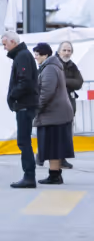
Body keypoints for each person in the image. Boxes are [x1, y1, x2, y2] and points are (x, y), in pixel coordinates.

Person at [31, 43, 75, 185]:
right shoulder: (51, 66)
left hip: (54, 114)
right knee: (53, 146)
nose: (36, 57)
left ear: (45, 55)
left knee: (53, 146)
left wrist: (37, 108)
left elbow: (46, 92)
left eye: (37, 54)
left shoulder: (49, 68)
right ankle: (55, 175)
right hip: (55, 114)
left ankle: (55, 176)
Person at [2, 31, 39, 189]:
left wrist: (12, 96)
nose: (4, 48)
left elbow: (25, 82)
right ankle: (29, 176)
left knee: (24, 141)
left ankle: (29, 176)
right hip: (25, 104)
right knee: (24, 141)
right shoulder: (22, 55)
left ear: (13, 42)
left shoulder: (22, 56)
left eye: (5, 44)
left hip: (24, 104)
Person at [47, 41, 82, 170]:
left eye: (69, 50)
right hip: (56, 104)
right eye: (64, 50)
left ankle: (61, 159)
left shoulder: (72, 66)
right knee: (56, 133)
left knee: (65, 133)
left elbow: (79, 82)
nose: (67, 53)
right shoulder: (53, 64)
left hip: (69, 104)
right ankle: (47, 157)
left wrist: (63, 81)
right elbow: (52, 81)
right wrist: (67, 82)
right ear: (58, 51)